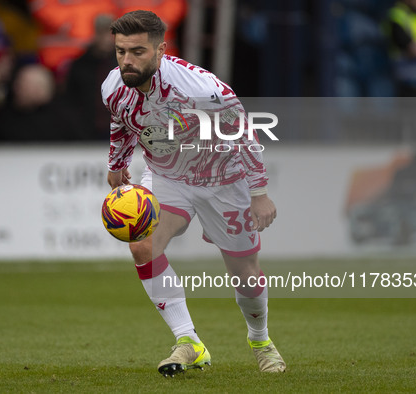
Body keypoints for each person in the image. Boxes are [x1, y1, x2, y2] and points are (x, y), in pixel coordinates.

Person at [101, 10, 286, 377]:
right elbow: (121, 120)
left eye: (137, 51)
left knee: (245, 274)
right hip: (168, 176)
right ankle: (189, 341)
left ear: (160, 50)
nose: (126, 60)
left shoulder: (200, 89)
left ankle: (260, 339)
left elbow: (244, 131)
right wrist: (116, 163)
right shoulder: (112, 86)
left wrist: (259, 191)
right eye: (121, 51)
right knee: (142, 244)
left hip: (223, 178)